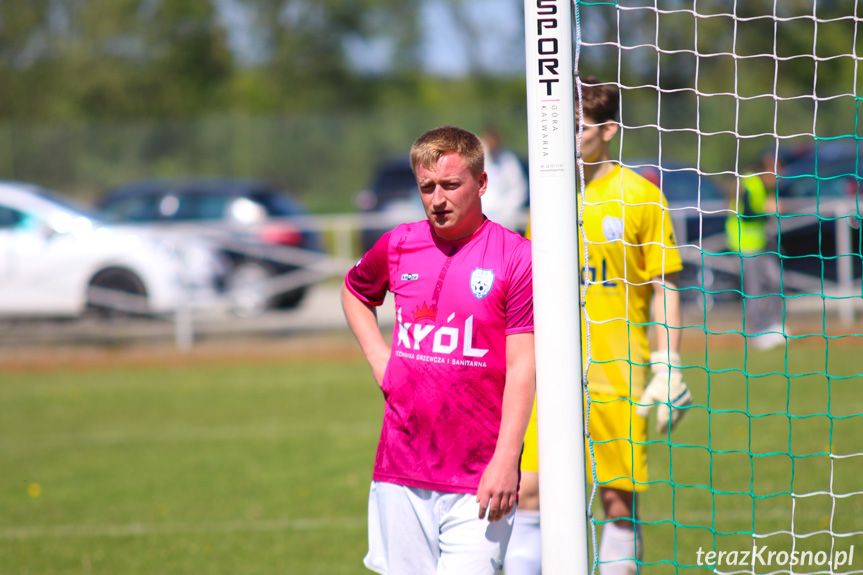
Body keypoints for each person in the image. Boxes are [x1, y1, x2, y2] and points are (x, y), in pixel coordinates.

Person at [504, 78, 693, 575]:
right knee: (527, 489)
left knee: (617, 497)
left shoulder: (640, 195)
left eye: (580, 127)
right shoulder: (548, 197)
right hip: (551, 368)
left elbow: (664, 285)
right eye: (561, 127)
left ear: (608, 129)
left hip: (618, 366)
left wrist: (668, 362)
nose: (570, 138)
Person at [341, 125, 536, 575]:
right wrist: (380, 359)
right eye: (426, 187)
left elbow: (524, 365)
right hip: (400, 469)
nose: (437, 199)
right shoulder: (398, 243)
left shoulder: (515, 257)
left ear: (482, 184)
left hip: (479, 476)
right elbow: (354, 293)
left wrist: (507, 460)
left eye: (451, 185)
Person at [725, 153, 786, 350]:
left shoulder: (764, 185)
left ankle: (773, 325)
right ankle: (757, 331)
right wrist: (767, 208)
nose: (780, 176)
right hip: (746, 245)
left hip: (761, 243)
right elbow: (746, 212)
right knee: (754, 289)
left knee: (777, 280)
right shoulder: (750, 182)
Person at [481, 126, 529, 233]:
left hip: (506, 215)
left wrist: (507, 212)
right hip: (480, 212)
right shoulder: (476, 159)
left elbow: (519, 188)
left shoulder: (509, 161)